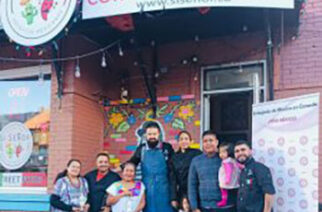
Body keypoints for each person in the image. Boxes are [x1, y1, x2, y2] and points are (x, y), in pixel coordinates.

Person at [125, 121, 176, 212]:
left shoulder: (167, 148)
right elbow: (132, 162)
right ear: (145, 135)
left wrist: (173, 196)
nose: (152, 136)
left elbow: (174, 169)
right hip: (147, 189)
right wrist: (119, 168)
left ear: (159, 134)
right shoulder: (141, 149)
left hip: (165, 190)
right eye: (149, 134)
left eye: (154, 134)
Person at [234, 140, 275, 212]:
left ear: (250, 151)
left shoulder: (259, 168)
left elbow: (269, 192)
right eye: (237, 151)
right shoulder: (242, 171)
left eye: (243, 150)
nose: (240, 153)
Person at [188, 130, 224, 212]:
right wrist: (194, 207)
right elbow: (192, 185)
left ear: (217, 142)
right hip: (204, 207)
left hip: (225, 207)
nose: (208, 143)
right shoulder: (196, 161)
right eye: (205, 141)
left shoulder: (225, 159)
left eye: (211, 140)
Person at [172, 131, 202, 210]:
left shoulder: (197, 153)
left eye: (186, 139)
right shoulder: (174, 157)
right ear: (178, 142)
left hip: (196, 189)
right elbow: (172, 179)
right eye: (181, 139)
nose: (184, 141)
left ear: (190, 141)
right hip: (181, 191)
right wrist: (173, 197)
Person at [217, 142, 240, 211]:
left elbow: (228, 170)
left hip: (227, 179)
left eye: (224, 152)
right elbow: (239, 165)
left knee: (223, 189)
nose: (221, 154)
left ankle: (223, 200)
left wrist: (227, 179)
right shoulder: (233, 160)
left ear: (229, 152)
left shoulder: (226, 161)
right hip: (234, 179)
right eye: (220, 152)